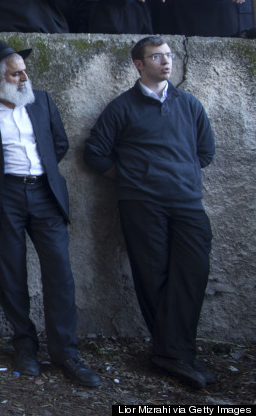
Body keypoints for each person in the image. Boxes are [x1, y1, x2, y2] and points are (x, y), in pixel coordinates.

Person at [0, 41, 101, 388]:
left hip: (46, 195)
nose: (24, 77)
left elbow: (58, 144)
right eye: (17, 73)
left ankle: (67, 354)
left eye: (24, 71)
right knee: (11, 275)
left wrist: (39, 173)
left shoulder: (42, 101)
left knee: (59, 273)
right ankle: (25, 347)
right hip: (5, 197)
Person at [84, 37, 215, 389]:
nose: (166, 62)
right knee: (153, 277)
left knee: (192, 273)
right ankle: (176, 356)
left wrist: (179, 175)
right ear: (139, 65)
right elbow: (94, 154)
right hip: (141, 205)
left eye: (169, 56)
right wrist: (134, 177)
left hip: (187, 203)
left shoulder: (189, 105)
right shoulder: (122, 107)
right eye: (156, 57)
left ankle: (171, 352)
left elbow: (205, 152)